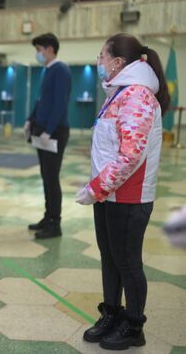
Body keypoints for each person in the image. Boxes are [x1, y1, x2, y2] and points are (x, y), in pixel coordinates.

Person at [76, 33, 170, 350]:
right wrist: (98, 189)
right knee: (110, 259)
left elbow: (130, 156)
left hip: (129, 197)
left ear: (118, 62)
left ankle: (133, 325)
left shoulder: (138, 97)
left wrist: (96, 187)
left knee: (128, 262)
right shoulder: (119, 94)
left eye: (102, 56)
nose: (99, 61)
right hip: (109, 195)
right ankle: (112, 315)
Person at [24, 33, 71, 239]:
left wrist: (49, 131)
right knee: (45, 176)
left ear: (50, 49)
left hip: (54, 131)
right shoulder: (47, 70)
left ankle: (55, 223)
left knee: (52, 178)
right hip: (42, 129)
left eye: (39, 50)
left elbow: (59, 104)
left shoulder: (61, 70)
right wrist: (30, 119)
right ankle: (48, 216)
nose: (38, 54)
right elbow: (41, 100)